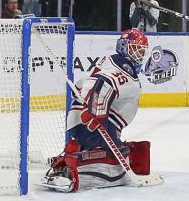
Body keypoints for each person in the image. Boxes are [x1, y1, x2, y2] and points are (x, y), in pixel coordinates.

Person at [39, 29, 154, 192]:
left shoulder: (112, 61)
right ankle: (69, 174)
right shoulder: (123, 68)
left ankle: (70, 158)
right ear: (123, 47)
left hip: (86, 120)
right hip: (93, 123)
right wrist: (96, 112)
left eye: (142, 51)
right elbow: (104, 83)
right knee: (116, 167)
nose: (140, 55)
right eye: (136, 49)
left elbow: (80, 86)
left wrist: (92, 108)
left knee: (115, 154)